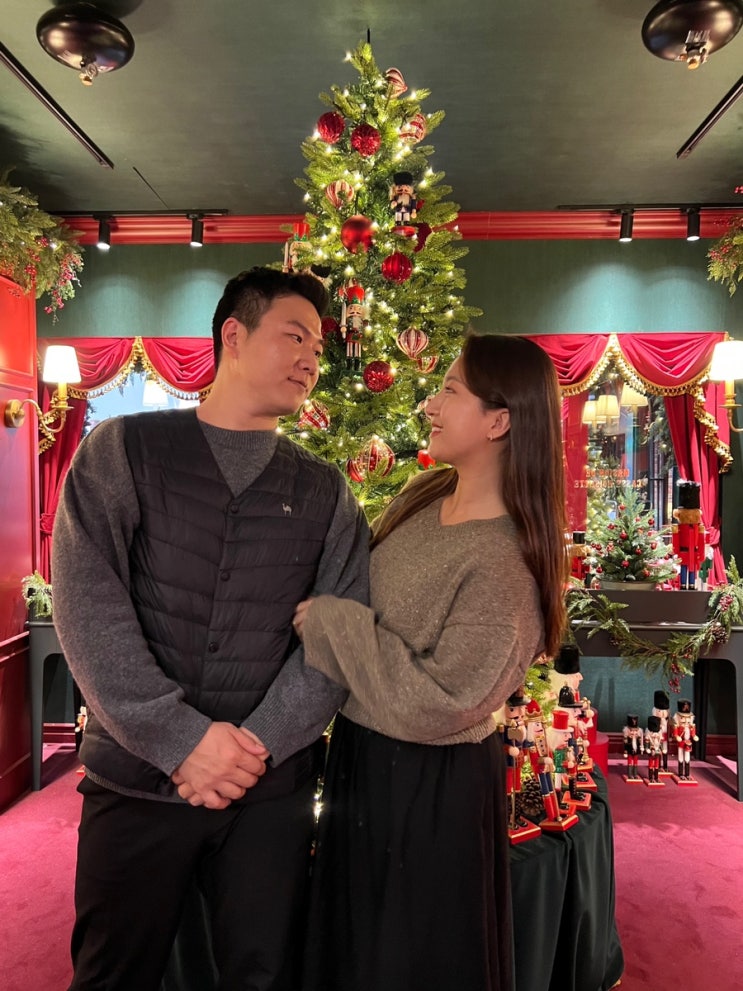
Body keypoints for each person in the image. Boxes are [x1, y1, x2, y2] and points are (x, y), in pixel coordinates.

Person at [51, 267, 370, 991]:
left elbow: (337, 635)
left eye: (318, 347)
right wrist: (180, 740)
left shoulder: (327, 491)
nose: (311, 359)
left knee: (264, 973)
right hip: (134, 783)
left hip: (268, 792)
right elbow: (88, 605)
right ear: (234, 334)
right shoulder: (120, 451)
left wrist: (252, 748)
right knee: (111, 972)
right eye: (295, 336)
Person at [293, 332, 568, 991]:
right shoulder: (424, 492)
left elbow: (440, 703)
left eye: (449, 390)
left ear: (499, 421)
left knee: (408, 961)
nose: (429, 404)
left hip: (429, 790)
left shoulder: (504, 562)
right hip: (363, 764)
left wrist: (332, 624)